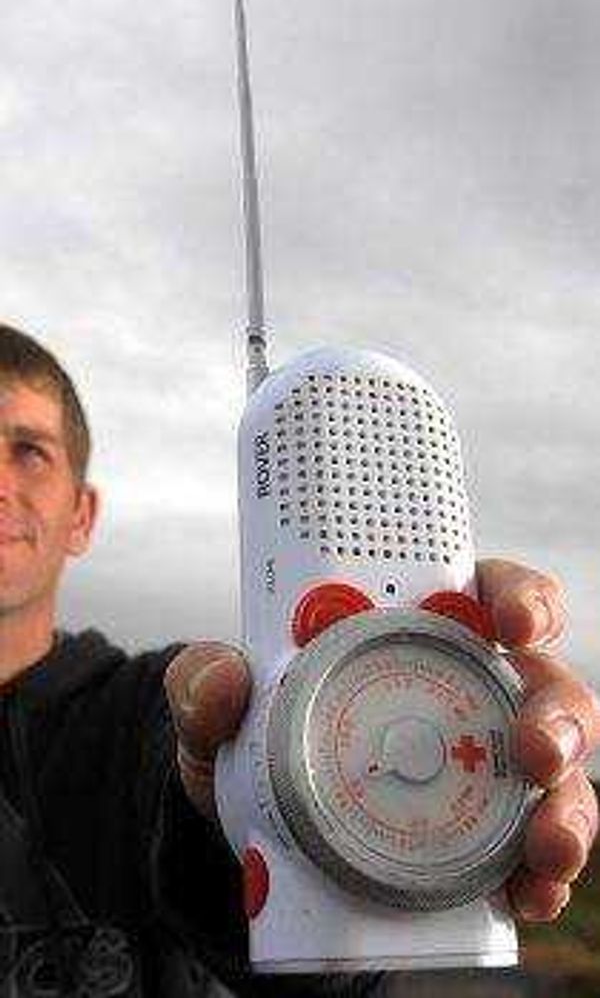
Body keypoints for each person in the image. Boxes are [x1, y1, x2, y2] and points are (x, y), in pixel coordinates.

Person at [0, 322, 597, 998]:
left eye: (29, 451)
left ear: (82, 514)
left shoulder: (157, 709)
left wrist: (263, 817)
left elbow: (306, 977)